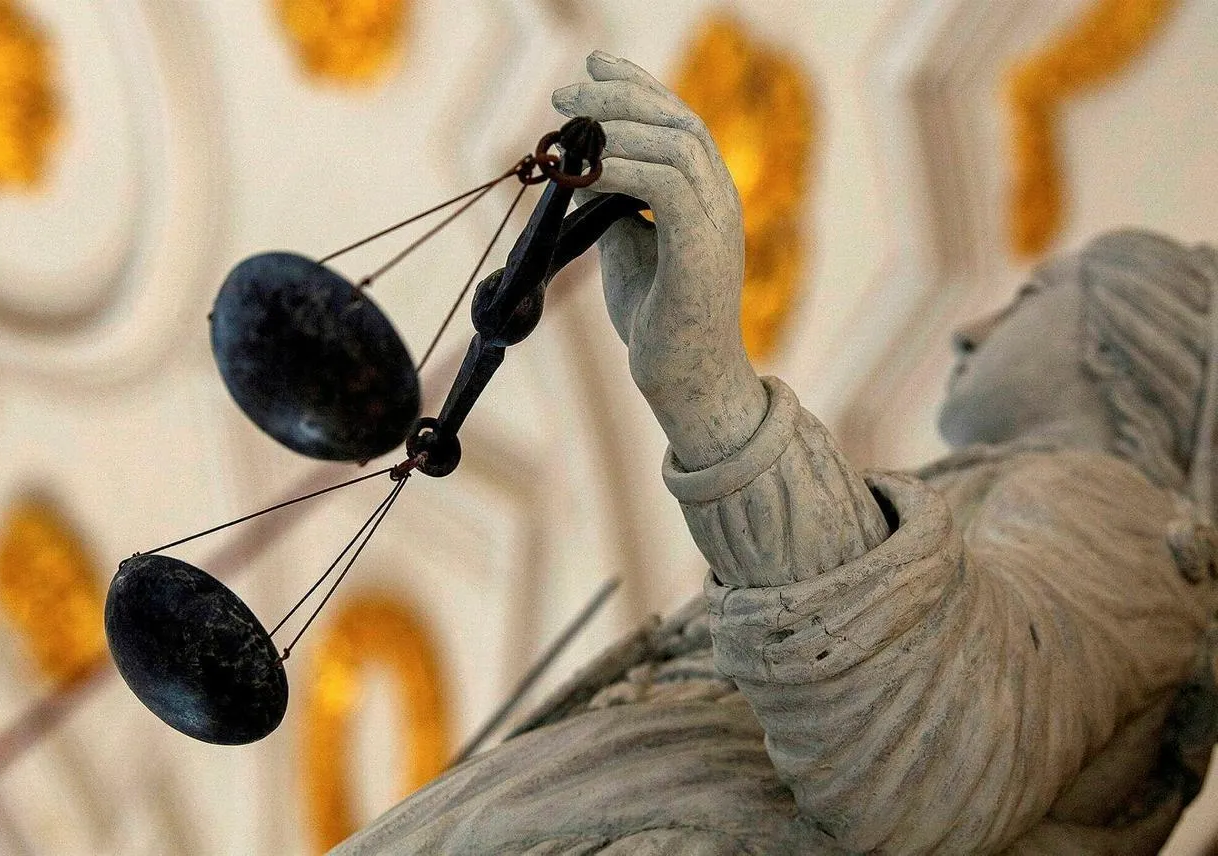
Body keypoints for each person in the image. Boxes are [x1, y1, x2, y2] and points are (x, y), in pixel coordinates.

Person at [331, 53, 1218, 854]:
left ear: (1124, 352)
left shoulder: (1120, 515)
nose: (970, 332)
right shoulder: (1037, 511)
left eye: (1033, 294)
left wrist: (710, 392)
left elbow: (932, 755)